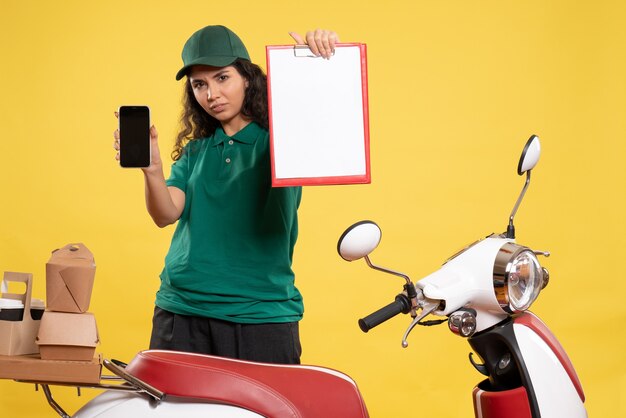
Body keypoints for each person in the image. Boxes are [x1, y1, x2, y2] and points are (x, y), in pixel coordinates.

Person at [113, 26, 339, 365]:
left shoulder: (284, 142)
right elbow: (165, 214)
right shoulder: (196, 151)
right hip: (182, 309)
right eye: (199, 84)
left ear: (247, 78)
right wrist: (152, 169)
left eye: (222, 78)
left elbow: (325, 120)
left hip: (260, 314)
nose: (211, 94)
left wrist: (316, 60)